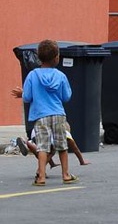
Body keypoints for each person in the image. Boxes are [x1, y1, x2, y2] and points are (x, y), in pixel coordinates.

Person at [20, 40, 78, 186]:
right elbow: (66, 96)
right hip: (58, 114)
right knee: (62, 145)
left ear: (39, 57)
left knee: (42, 147)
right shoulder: (60, 76)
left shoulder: (33, 75)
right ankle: (66, 174)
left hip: (40, 116)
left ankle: (41, 177)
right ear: (56, 58)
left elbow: (27, 97)